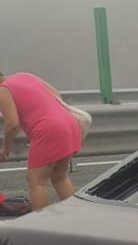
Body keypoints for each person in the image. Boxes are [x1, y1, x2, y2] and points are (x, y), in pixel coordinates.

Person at [0, 72, 82, 210]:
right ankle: (76, 215)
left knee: (36, 182)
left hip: (48, 129)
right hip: (69, 122)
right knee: (59, 176)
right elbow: (56, 94)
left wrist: (5, 149)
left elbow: (12, 124)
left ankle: (40, 222)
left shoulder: (3, 90)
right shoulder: (25, 75)